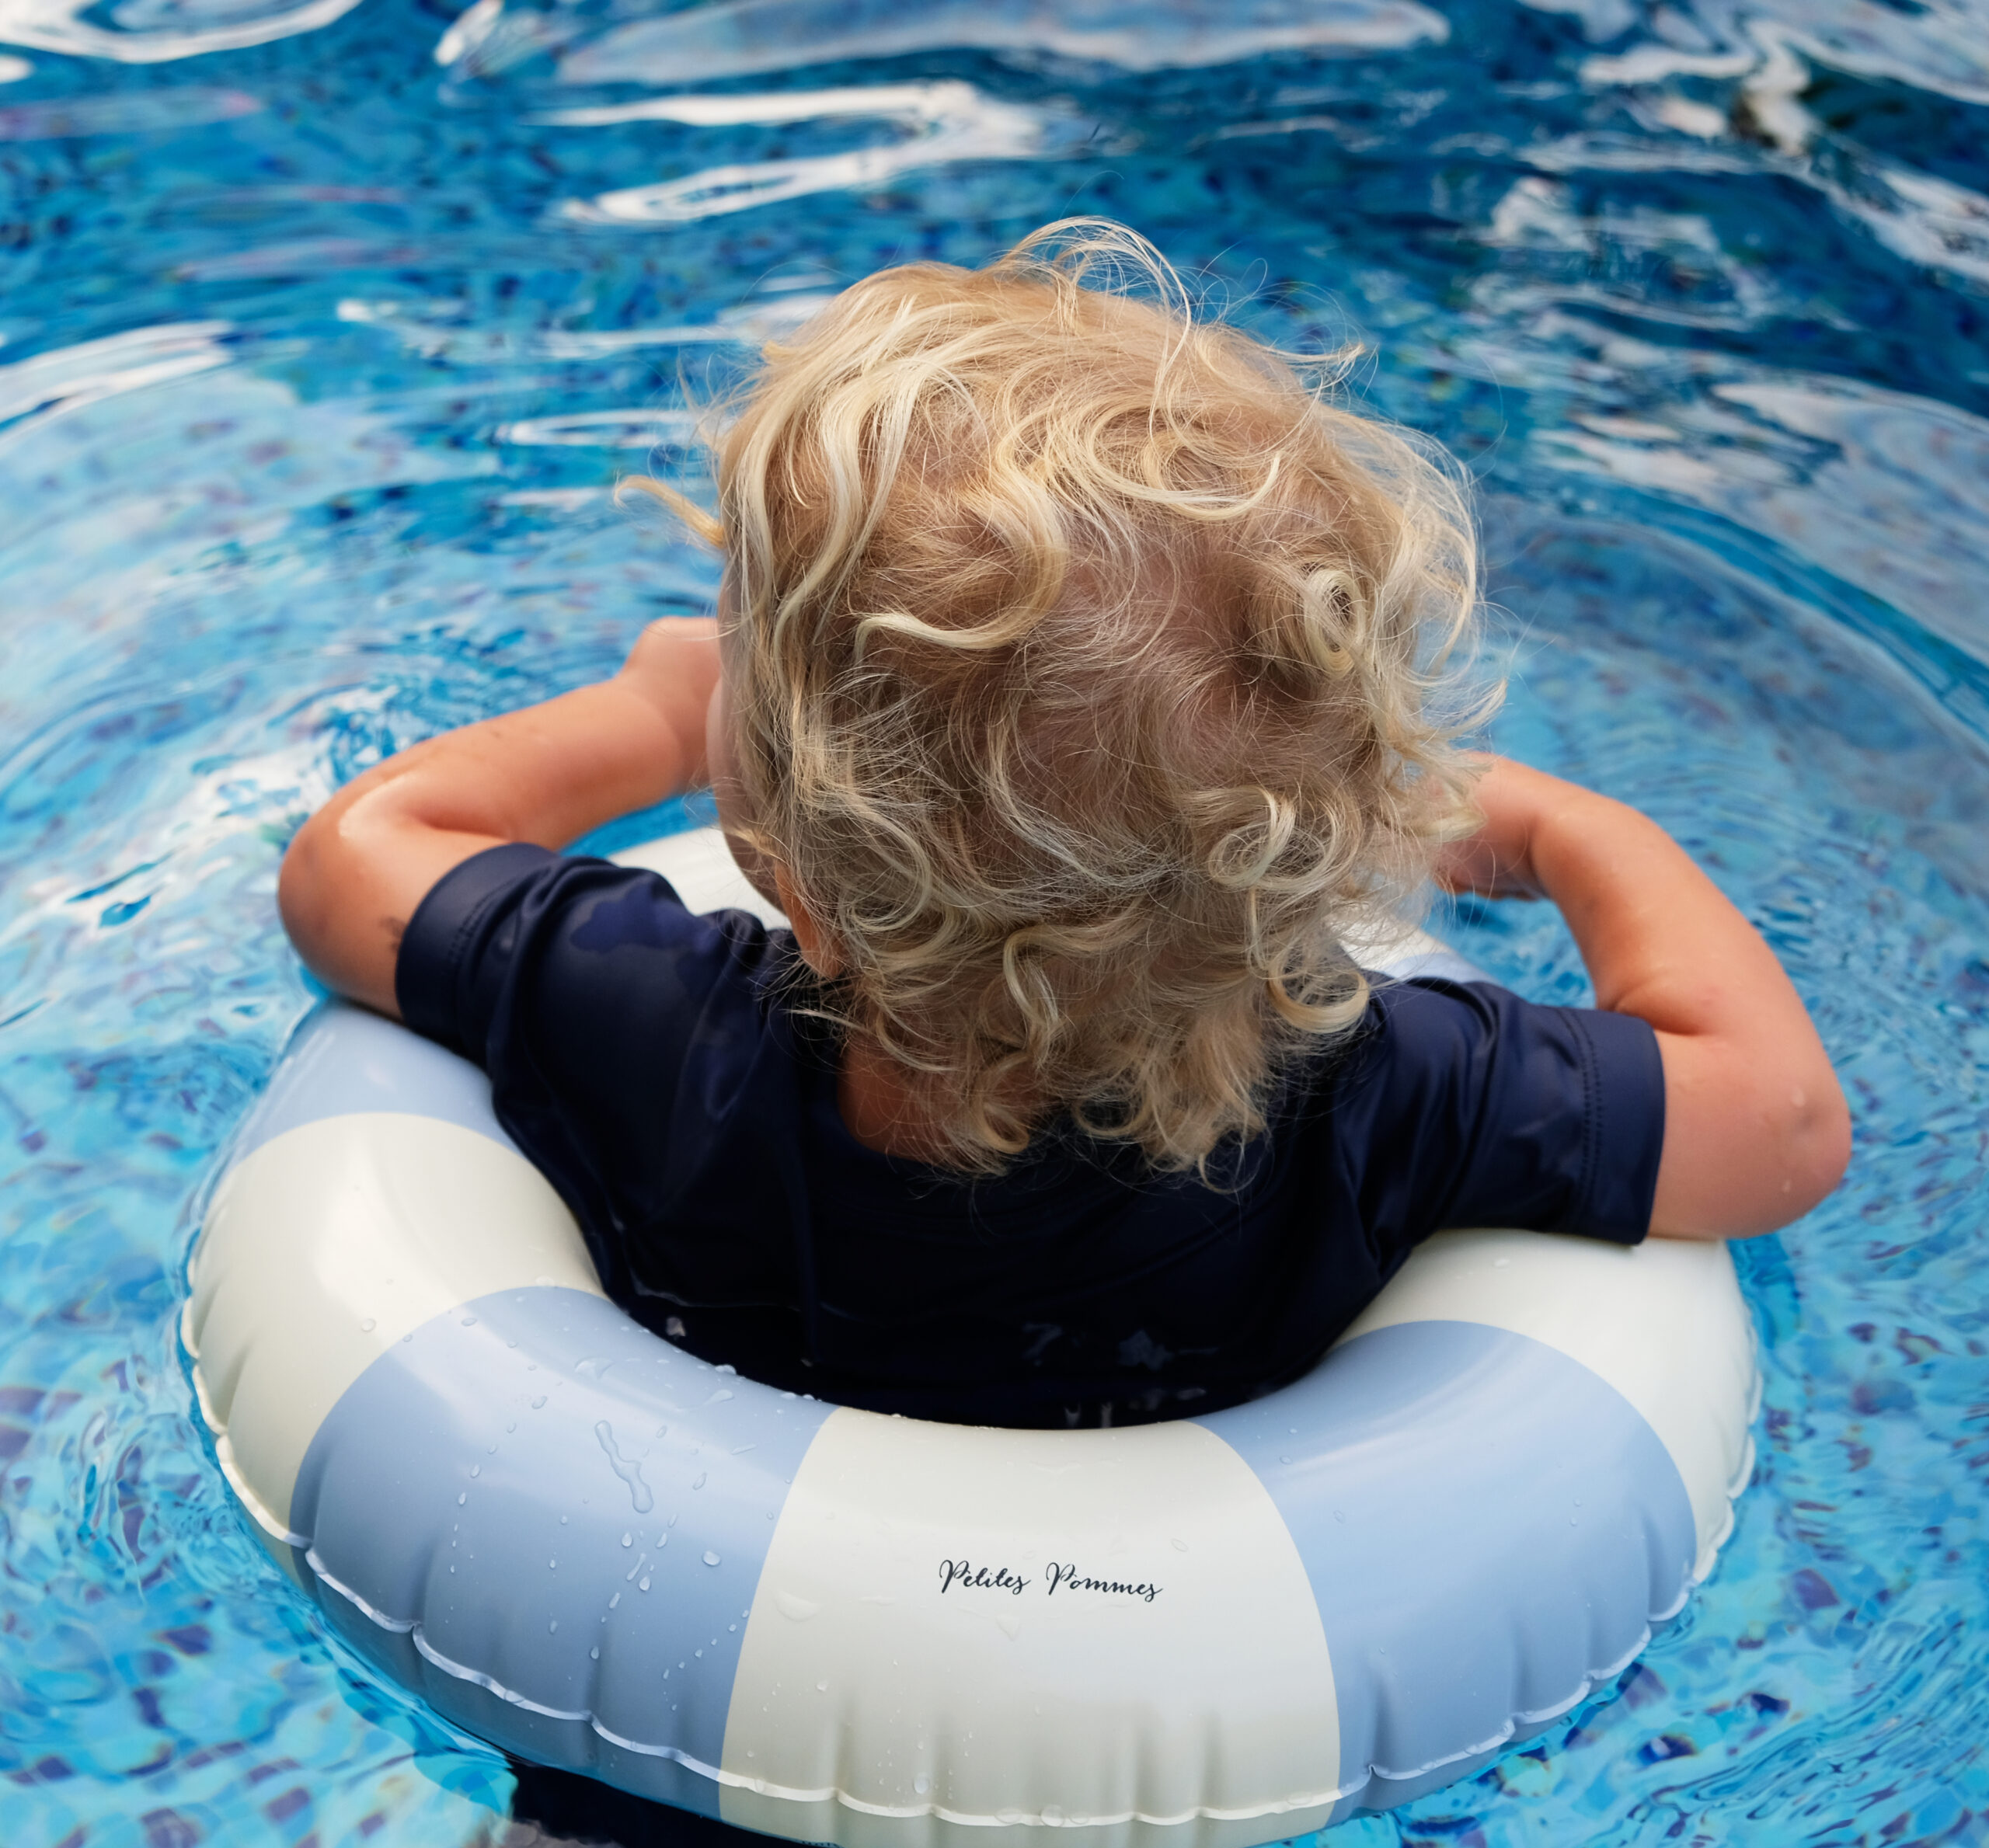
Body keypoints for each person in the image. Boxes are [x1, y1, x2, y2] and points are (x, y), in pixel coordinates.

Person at [277, 222, 1848, 1429]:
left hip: (655, 1705)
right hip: (1140, 1793)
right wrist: (1580, 833)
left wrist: (650, 716)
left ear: (787, 844)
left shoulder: (642, 1020)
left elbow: (351, 859)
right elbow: (1778, 1127)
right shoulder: (1386, 1106)